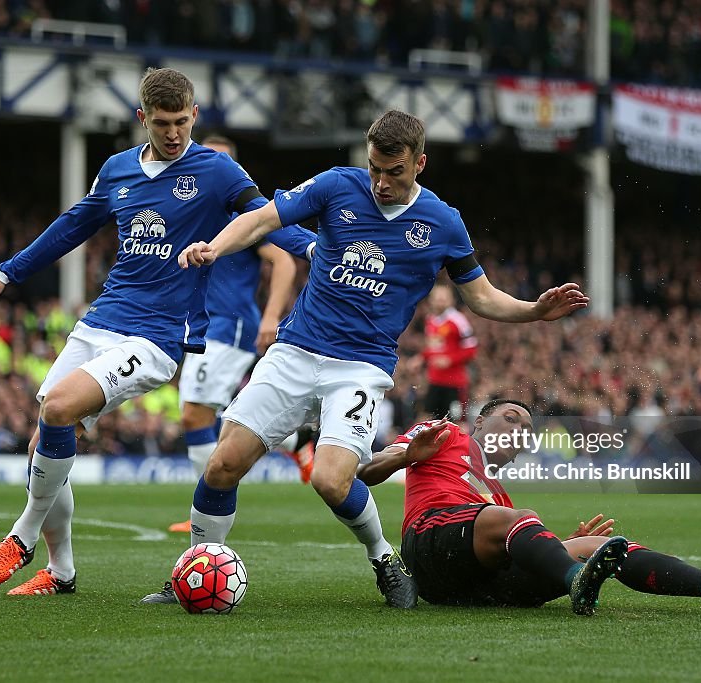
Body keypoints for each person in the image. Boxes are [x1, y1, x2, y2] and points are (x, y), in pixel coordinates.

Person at [156, 110, 590, 608]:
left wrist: (535, 310)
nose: (381, 182)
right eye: (375, 169)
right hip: (295, 350)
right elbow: (261, 219)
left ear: (420, 163)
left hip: (360, 367)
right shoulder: (337, 186)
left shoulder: (443, 223)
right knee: (222, 464)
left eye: (395, 172)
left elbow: (483, 297)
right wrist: (214, 246)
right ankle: (191, 571)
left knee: (330, 478)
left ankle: (384, 558)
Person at [0, 67, 314, 597]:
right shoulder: (118, 169)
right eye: (162, 123)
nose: (173, 133)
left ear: (194, 115)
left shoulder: (217, 171)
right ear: (141, 119)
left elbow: (269, 217)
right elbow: (73, 225)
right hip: (101, 321)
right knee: (44, 437)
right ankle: (61, 575)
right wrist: (6, 273)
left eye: (182, 121)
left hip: (157, 338)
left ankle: (23, 534)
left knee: (58, 407)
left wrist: (317, 250)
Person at [357, 399, 701, 612]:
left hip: (473, 587)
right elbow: (368, 471)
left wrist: (563, 544)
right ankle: (575, 579)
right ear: (479, 422)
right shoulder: (445, 433)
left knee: (587, 544)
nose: (519, 429)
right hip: (429, 547)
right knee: (518, 522)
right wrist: (405, 456)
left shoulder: (499, 494)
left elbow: (502, 534)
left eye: (526, 428)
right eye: (510, 417)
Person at [167, 134, 304, 534]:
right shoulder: (195, 210)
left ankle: (205, 509)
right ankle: (298, 443)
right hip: (204, 325)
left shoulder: (242, 217)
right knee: (222, 414)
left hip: (231, 324)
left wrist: (271, 316)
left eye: (224, 162)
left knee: (195, 412)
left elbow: (283, 262)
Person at [417, 282, 478, 420]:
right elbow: (434, 348)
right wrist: (421, 358)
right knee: (427, 420)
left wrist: (450, 360)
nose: (440, 302)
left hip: (454, 383)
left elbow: (472, 349)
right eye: (437, 298)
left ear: (451, 300)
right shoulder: (430, 320)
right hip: (435, 381)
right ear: (431, 300)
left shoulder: (459, 320)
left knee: (455, 423)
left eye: (443, 299)